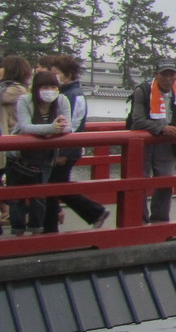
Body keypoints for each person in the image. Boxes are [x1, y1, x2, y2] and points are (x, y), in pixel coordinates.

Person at [42, 54, 110, 233]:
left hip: (66, 149)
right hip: (65, 148)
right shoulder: (67, 93)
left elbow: (72, 125)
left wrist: (63, 152)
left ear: (68, 74)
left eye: (56, 73)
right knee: (55, 186)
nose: (53, 77)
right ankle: (51, 227)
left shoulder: (72, 95)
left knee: (54, 186)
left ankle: (95, 212)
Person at [127, 59, 176, 223]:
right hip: (143, 141)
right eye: (164, 75)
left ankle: (160, 220)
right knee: (140, 181)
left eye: (172, 75)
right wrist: (163, 128)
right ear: (155, 75)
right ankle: (140, 220)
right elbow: (137, 120)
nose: (168, 79)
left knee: (165, 181)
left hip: (167, 142)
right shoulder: (143, 91)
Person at [8, 69, 72, 234]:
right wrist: (51, 128)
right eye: (45, 87)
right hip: (20, 155)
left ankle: (36, 230)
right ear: (36, 88)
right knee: (16, 197)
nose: (49, 91)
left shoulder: (62, 100)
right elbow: (25, 126)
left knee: (39, 196)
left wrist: (59, 127)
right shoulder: (25, 100)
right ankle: (18, 231)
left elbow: (69, 127)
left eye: (53, 87)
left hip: (46, 155)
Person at [0, 55, 34, 231]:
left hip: (9, 140)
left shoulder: (15, 90)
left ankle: (18, 215)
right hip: (6, 139)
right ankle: (9, 213)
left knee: (9, 181)